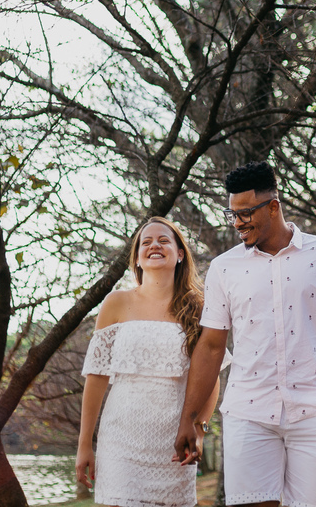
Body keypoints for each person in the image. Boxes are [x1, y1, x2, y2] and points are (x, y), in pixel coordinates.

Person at [174, 161, 316, 507]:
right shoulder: (223, 268)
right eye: (232, 214)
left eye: (245, 213)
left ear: (274, 205)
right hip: (249, 413)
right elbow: (212, 345)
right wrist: (189, 419)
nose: (237, 223)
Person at [76, 217, 220, 507]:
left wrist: (199, 431)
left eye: (164, 240)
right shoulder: (115, 303)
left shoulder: (202, 307)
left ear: (180, 254)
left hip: (174, 443)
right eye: (146, 242)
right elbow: (97, 376)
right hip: (120, 441)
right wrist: (84, 444)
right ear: (138, 258)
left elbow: (210, 376)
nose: (155, 245)